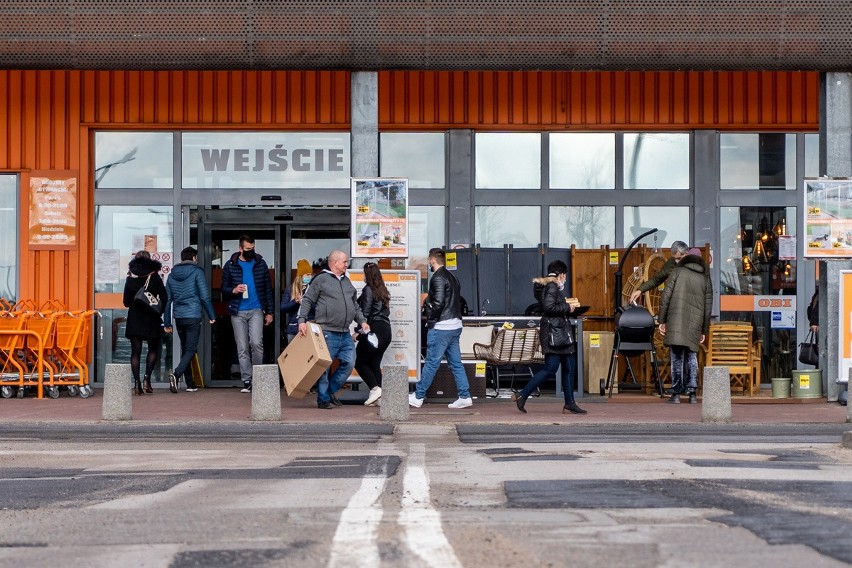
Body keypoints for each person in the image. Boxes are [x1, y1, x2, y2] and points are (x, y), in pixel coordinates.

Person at [297, 249, 370, 409]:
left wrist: (362, 321)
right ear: (334, 263)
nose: (347, 264)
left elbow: (355, 305)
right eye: (344, 262)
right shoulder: (320, 279)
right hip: (327, 331)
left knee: (349, 363)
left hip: (345, 333)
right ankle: (323, 400)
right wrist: (302, 320)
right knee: (324, 368)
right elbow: (307, 300)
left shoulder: (346, 281)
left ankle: (329, 392)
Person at [514, 260, 586, 415]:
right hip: (556, 332)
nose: (565, 278)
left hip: (556, 331)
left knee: (568, 366)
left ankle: (569, 403)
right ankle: (523, 394)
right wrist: (568, 307)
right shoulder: (553, 286)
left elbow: (548, 304)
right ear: (561, 274)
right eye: (564, 275)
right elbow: (549, 307)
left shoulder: (547, 285)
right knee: (552, 368)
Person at [409, 248, 473, 409]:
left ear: (432, 260)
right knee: (456, 363)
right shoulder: (453, 277)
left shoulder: (438, 278)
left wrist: (430, 320)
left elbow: (437, 303)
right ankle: (464, 396)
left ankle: (418, 396)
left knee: (431, 362)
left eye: (429, 260)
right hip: (455, 325)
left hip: (442, 327)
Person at [657, 251, 713, 404]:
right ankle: (693, 393)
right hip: (695, 322)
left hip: (676, 318)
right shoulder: (705, 277)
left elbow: (665, 296)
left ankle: (676, 394)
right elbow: (708, 307)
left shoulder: (677, 272)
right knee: (691, 356)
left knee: (676, 356)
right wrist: (704, 329)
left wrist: (661, 320)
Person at [221, 235, 274, 393]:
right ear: (240, 248)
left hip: (257, 309)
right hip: (238, 310)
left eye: (253, 248)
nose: (251, 251)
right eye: (248, 249)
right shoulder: (230, 265)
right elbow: (224, 288)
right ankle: (247, 379)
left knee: (256, 343)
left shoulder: (260, 263)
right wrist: (234, 290)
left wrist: (269, 312)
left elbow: (267, 289)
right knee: (242, 347)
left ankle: (257, 375)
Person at [163, 246, 216, 393]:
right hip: (193, 316)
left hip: (179, 317)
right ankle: (176, 374)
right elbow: (204, 296)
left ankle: (190, 384)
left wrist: (167, 322)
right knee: (191, 348)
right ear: (194, 258)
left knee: (186, 349)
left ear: (182, 258)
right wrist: (212, 315)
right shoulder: (197, 272)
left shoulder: (172, 274)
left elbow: (167, 301)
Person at [122, 250, 167, 396]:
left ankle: (136, 384)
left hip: (135, 318)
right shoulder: (154, 277)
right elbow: (164, 297)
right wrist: (158, 310)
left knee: (136, 352)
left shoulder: (130, 278)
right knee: (153, 350)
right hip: (151, 318)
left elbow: (126, 302)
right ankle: (147, 379)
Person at [354, 262, 393, 406]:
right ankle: (382, 398)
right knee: (374, 363)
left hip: (374, 329)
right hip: (386, 330)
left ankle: (375, 389)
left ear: (367, 275)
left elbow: (365, 314)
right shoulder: (382, 290)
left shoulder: (368, 290)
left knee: (359, 361)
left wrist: (358, 333)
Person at [281, 259, 314, 343]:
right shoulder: (291, 289)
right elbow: (283, 307)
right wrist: (295, 302)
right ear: (301, 275)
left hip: (309, 327)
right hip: (293, 328)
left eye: (311, 274)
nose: (309, 277)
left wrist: (305, 302)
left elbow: (318, 307)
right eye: (307, 274)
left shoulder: (313, 289)